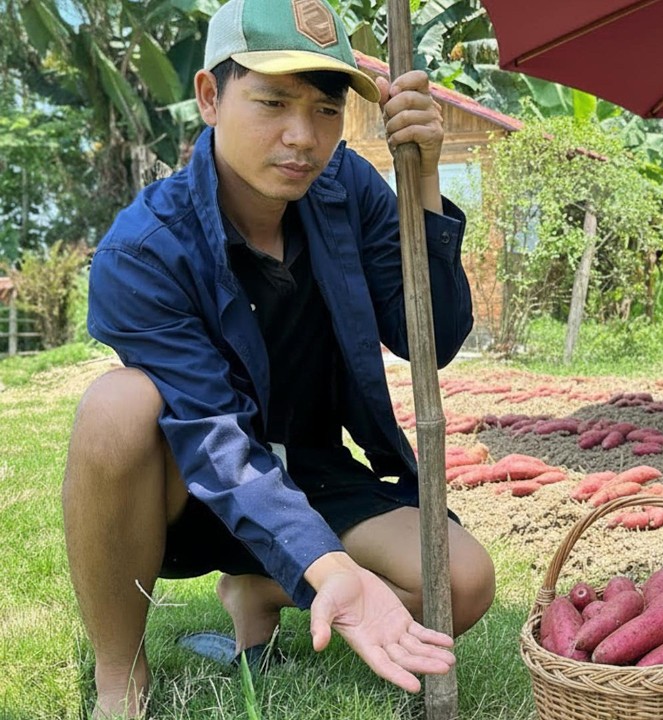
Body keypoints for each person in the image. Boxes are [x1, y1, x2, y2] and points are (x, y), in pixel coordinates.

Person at [62, 0, 495, 716]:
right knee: (116, 405)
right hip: (195, 487)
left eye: (326, 111)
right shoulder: (144, 249)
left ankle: (261, 585)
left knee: (464, 582)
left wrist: (422, 178)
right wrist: (333, 570)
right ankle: (120, 672)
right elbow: (211, 437)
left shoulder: (348, 189)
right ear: (210, 97)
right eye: (272, 103)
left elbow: (434, 341)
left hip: (315, 471)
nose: (302, 137)